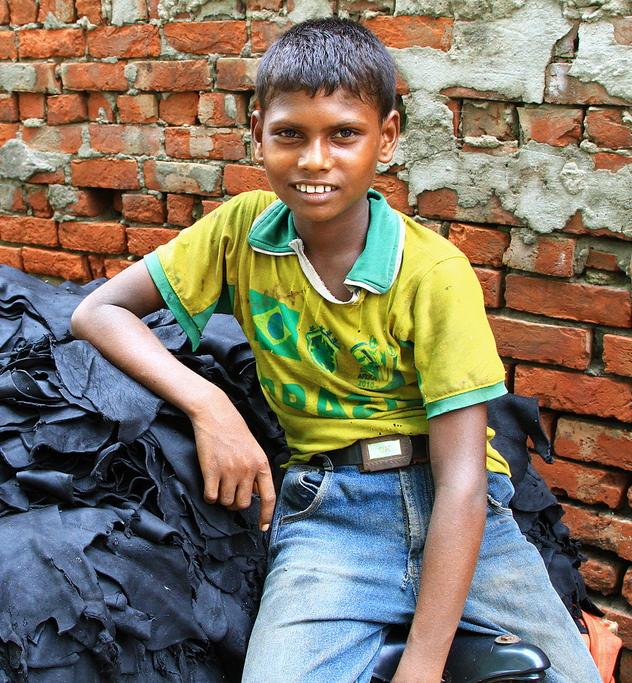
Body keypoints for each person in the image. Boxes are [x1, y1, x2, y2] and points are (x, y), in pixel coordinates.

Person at [71, 17, 602, 683]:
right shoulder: (241, 232)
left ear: (387, 138)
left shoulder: (432, 271)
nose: (314, 158)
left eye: (344, 134)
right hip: (329, 516)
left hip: (465, 515)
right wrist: (210, 405)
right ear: (258, 128)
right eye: (291, 133)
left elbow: (464, 483)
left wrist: (422, 666)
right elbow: (99, 311)